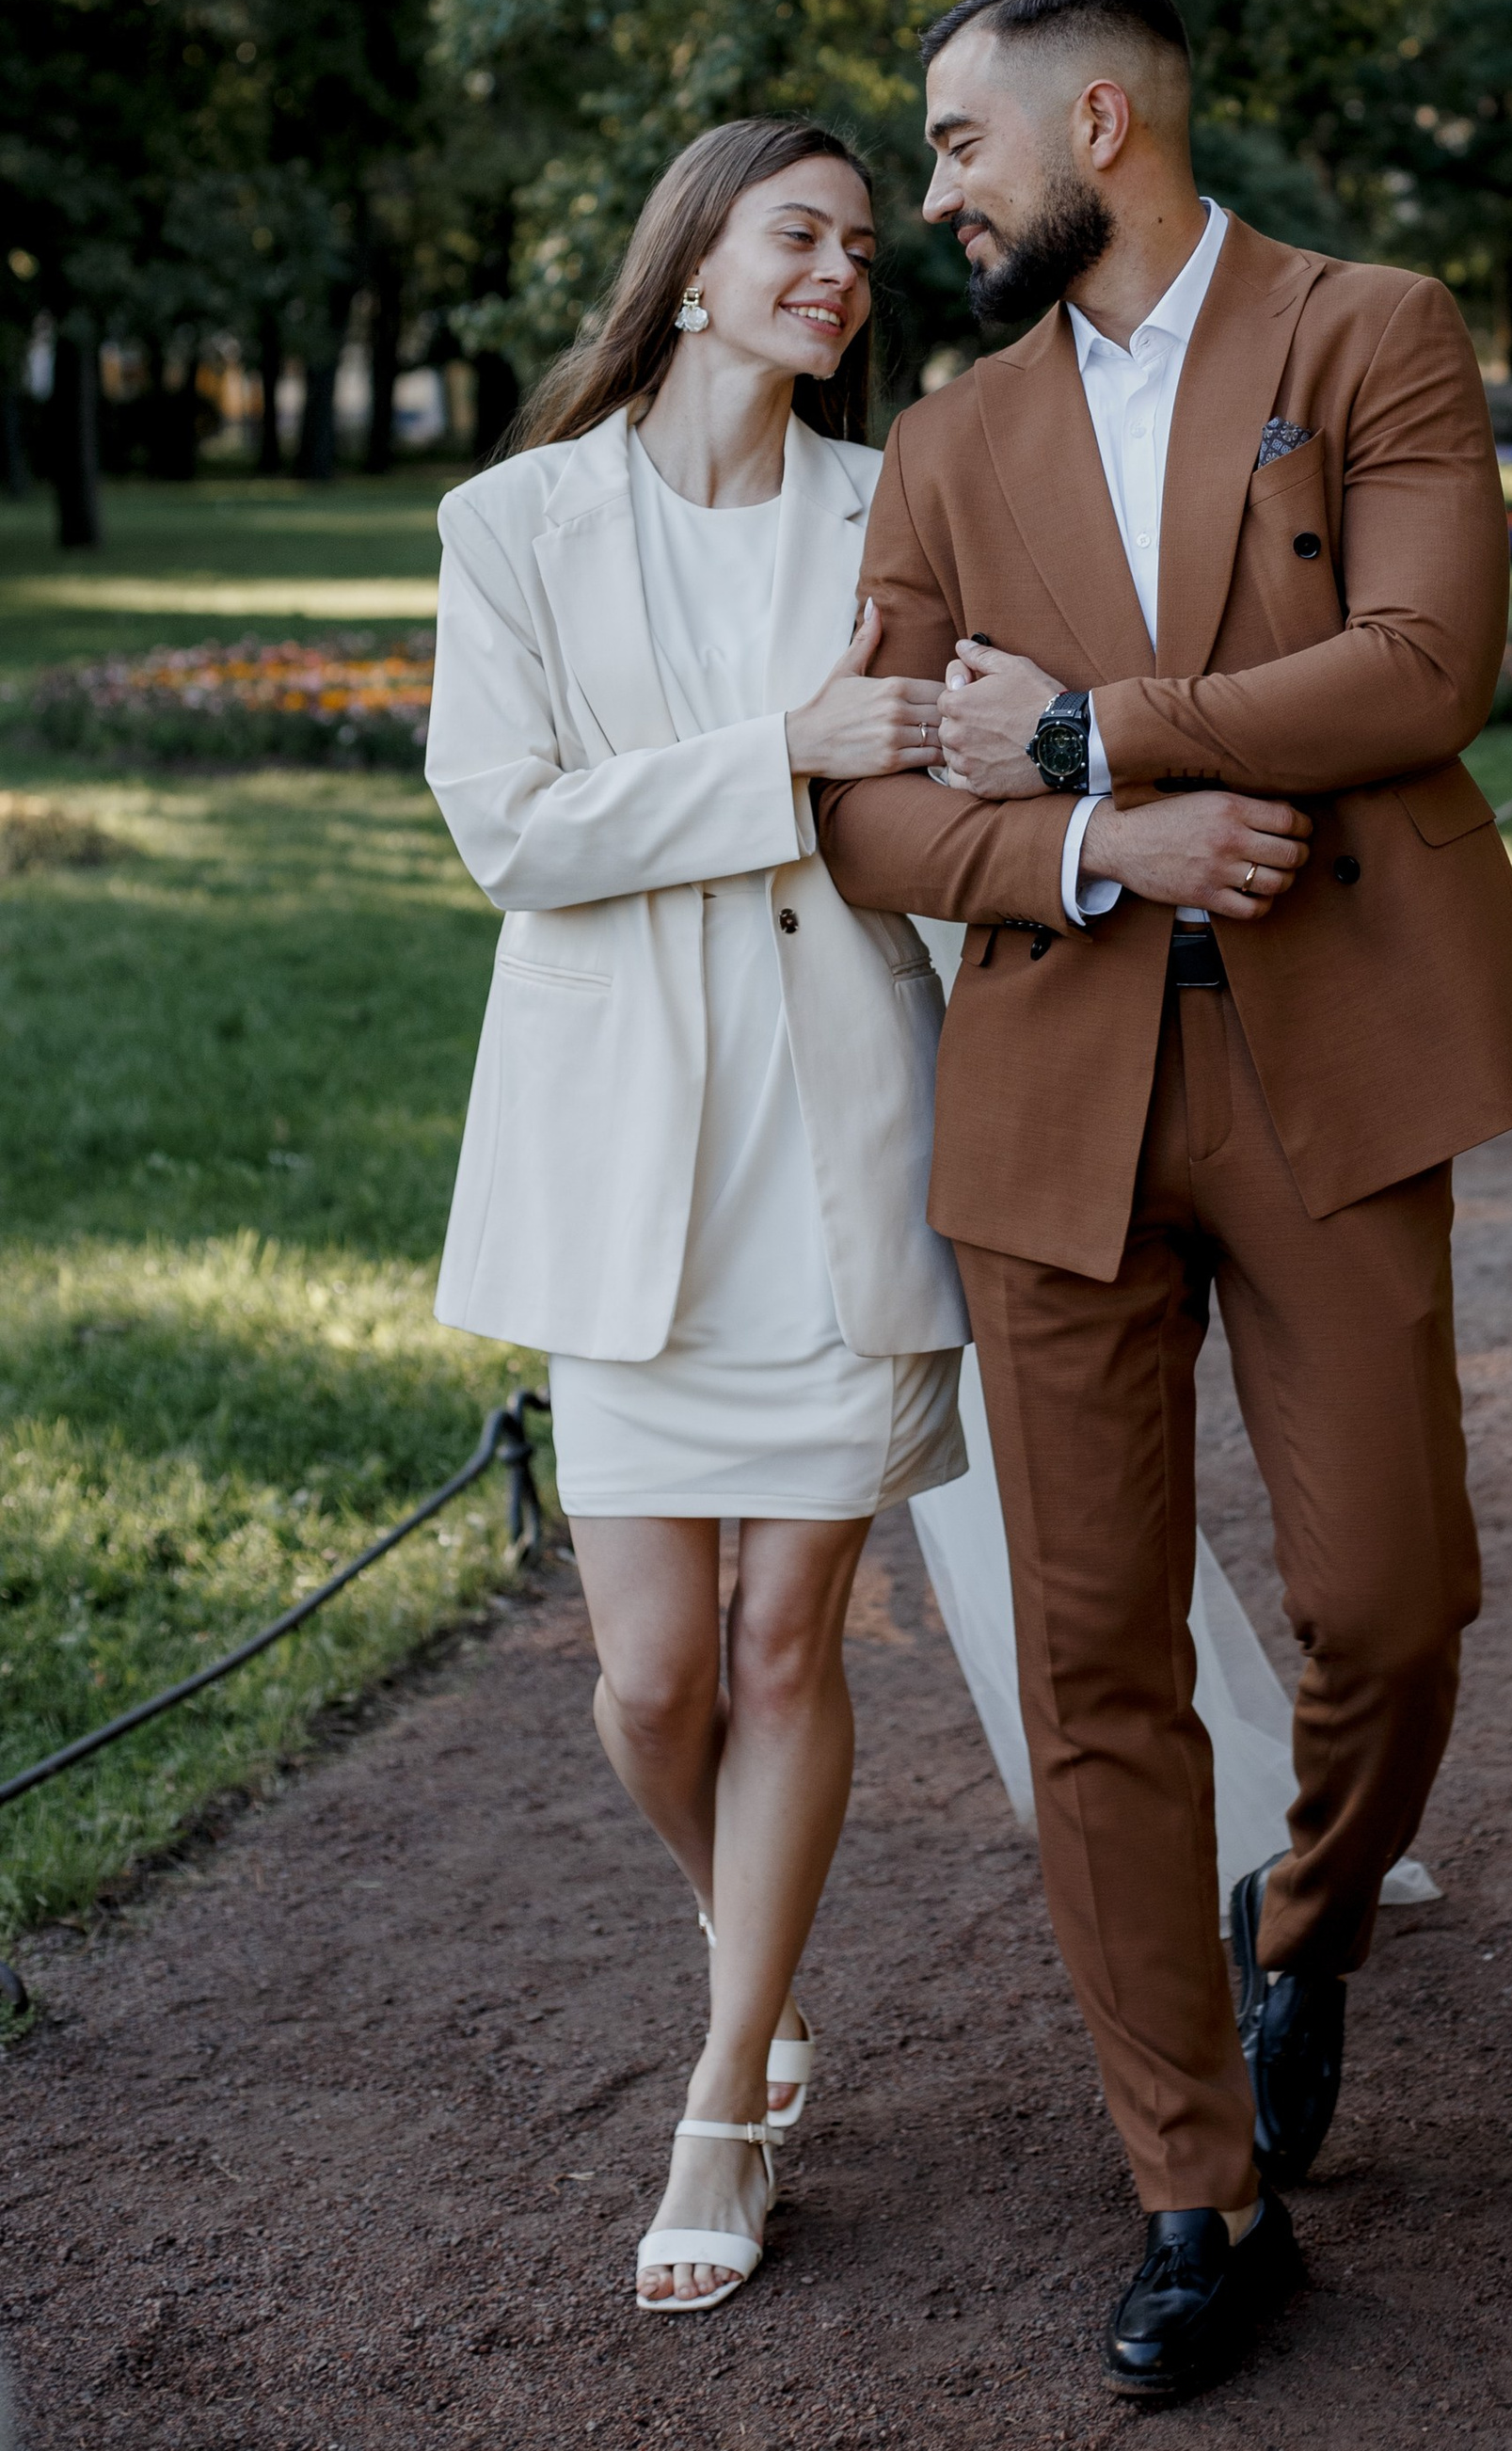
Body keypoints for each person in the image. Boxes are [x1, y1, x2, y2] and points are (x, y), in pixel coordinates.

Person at [816, 0, 1512, 2402]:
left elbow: (1422, 663)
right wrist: (1088, 832)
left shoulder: (1369, 334)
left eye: (957, 146)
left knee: (1396, 1600)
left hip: (1331, 1058)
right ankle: (1193, 2182)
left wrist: (1079, 715)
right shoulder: (945, 449)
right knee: (1090, 1662)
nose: (930, 193)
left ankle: (1312, 1917)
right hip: (1046, 1090)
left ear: (1107, 124)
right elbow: (865, 801)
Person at [423, 120, 968, 2317]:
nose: (840, 270)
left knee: (778, 1648)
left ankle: (726, 2087)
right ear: (692, 264)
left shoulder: (891, 505)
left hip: (843, 1144)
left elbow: (931, 776)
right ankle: (746, 1945)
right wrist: (781, 748)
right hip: (625, 1161)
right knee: (649, 1678)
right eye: (799, 234)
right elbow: (512, 831)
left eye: (858, 244)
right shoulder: (515, 522)